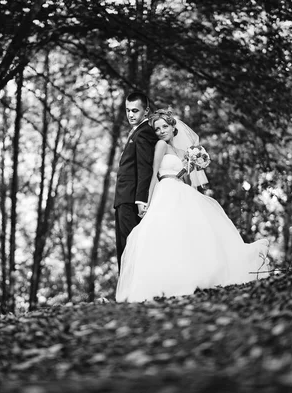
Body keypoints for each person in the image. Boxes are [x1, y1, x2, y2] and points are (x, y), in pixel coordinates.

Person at [115, 109, 270, 302]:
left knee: (190, 231)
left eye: (165, 126)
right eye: (157, 128)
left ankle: (195, 274)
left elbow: (186, 180)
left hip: (181, 190)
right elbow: (154, 174)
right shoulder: (160, 146)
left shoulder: (183, 152)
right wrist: (147, 200)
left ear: (173, 127)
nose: (161, 131)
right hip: (164, 189)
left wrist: (191, 167)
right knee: (164, 232)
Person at [113, 92, 158, 273]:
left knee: (129, 245)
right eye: (127, 110)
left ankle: (132, 290)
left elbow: (144, 167)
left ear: (146, 111)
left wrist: (141, 200)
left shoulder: (144, 132)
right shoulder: (137, 131)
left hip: (131, 199)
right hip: (124, 197)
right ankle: (126, 290)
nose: (130, 114)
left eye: (135, 110)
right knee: (124, 246)